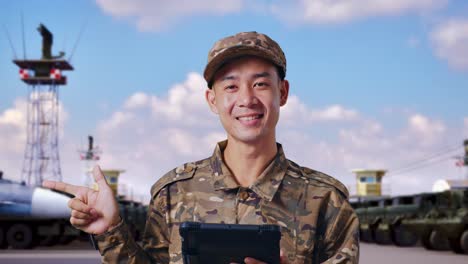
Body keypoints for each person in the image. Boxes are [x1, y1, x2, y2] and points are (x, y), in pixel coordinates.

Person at [43, 31, 359, 264]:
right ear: (212, 100)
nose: (247, 99)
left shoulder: (326, 200)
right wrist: (110, 230)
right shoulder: (172, 193)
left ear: (283, 92)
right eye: (231, 86)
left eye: (260, 83)